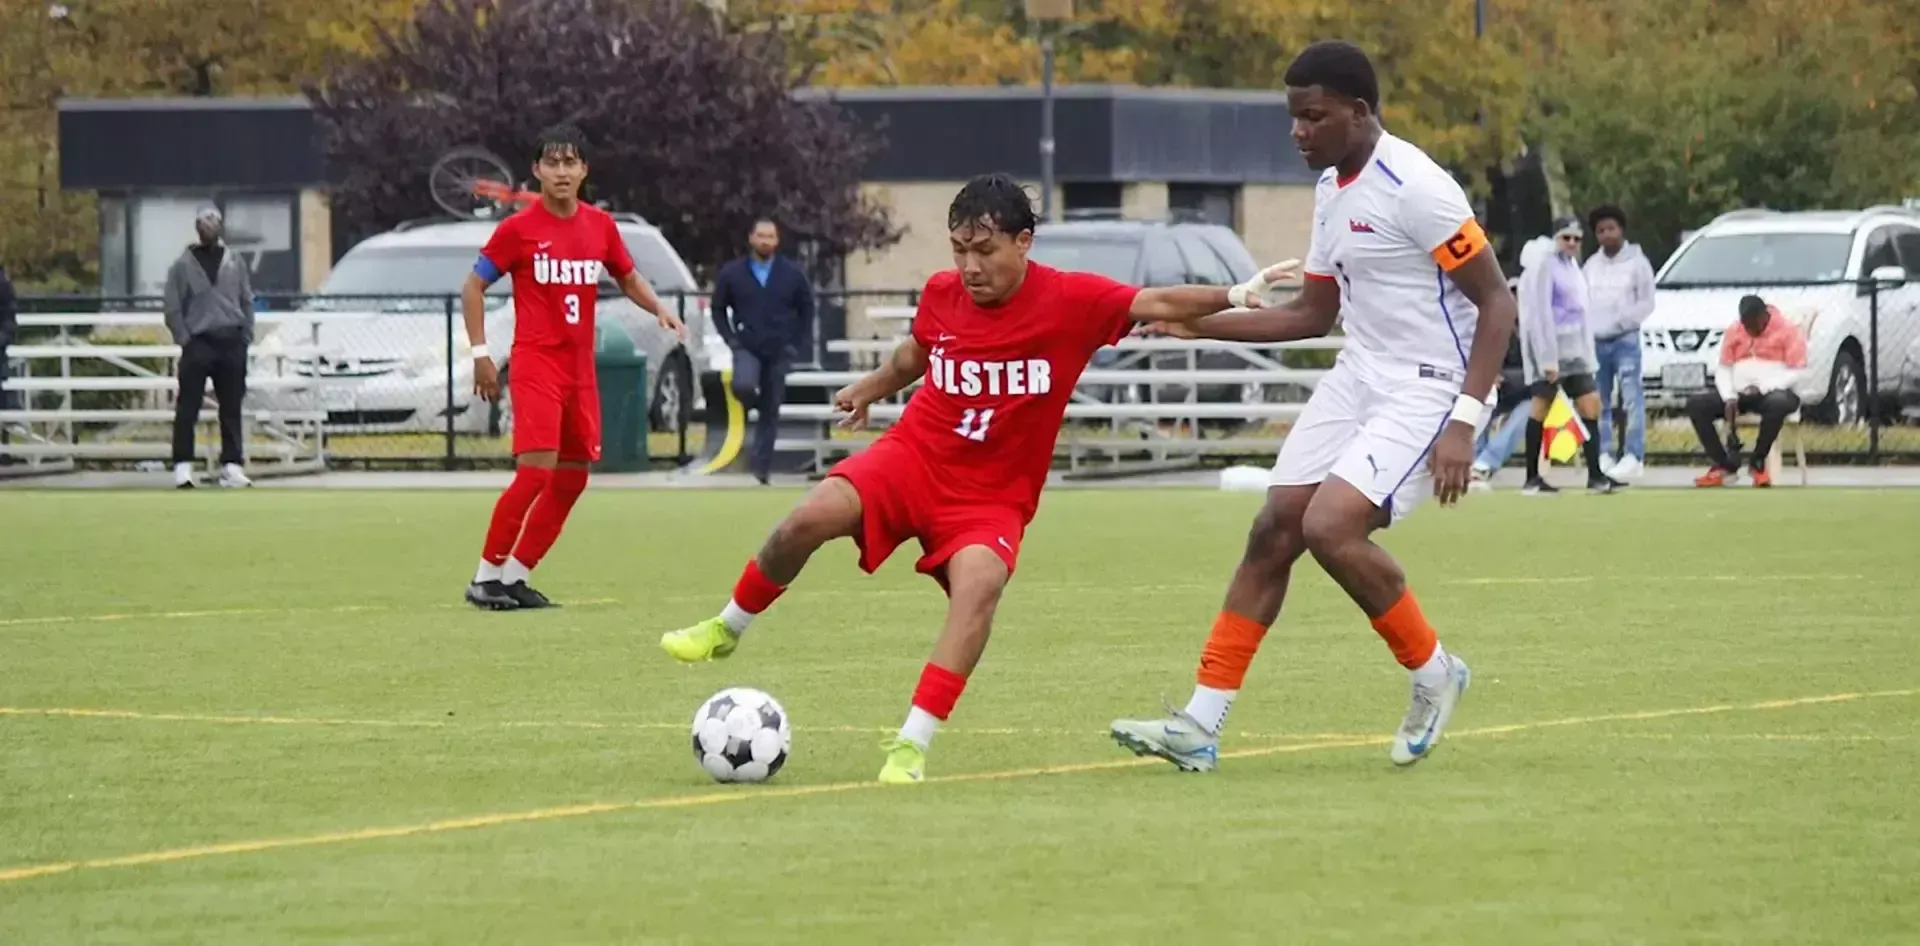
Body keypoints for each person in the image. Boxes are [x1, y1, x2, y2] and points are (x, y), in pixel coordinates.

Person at [656, 173, 1295, 784]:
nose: (970, 267)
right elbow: (919, 349)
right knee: (807, 517)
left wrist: (1234, 294)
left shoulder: (1072, 300)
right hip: (915, 457)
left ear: (1024, 242)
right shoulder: (942, 293)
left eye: (984, 250)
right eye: (960, 250)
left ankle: (911, 742)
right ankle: (726, 627)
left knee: (979, 588)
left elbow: (1154, 301)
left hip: (993, 496)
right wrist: (872, 388)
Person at [1106, 40, 1519, 772]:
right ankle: (1200, 724)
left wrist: (1466, 420)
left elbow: (1497, 304)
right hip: (1357, 374)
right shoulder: (1331, 188)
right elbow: (1310, 314)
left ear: (1360, 112)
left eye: (1313, 117)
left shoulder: (1419, 188)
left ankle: (1433, 672)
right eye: (1293, 118)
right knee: (1274, 528)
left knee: (1330, 526)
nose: (1298, 131)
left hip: (1427, 385)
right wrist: (1196, 323)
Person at [462, 124, 685, 611]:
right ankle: (485, 576)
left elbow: (626, 275)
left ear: (584, 170)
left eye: (571, 163)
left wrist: (660, 309)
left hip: (580, 369)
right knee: (536, 472)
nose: (562, 172)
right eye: (553, 163)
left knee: (573, 478)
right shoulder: (518, 229)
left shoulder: (600, 226)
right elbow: (473, 287)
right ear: (537, 171)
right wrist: (481, 355)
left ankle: (516, 575)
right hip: (536, 362)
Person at [1517, 215, 1624, 495]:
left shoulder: (1573, 267)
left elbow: (1581, 311)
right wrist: (1547, 359)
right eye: (1566, 237)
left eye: (1577, 238)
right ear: (1555, 238)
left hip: (1575, 351)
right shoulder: (1543, 266)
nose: (1572, 243)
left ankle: (1596, 476)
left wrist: (1586, 353)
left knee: (1591, 404)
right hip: (1550, 351)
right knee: (1540, 407)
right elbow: (1540, 314)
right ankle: (1531, 478)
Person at [710, 218, 817, 484]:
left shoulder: (792, 274)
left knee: (771, 409)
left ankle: (761, 468)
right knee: (743, 386)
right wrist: (731, 339)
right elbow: (717, 308)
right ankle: (753, 399)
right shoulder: (733, 273)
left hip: (780, 350)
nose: (765, 241)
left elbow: (807, 309)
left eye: (770, 236)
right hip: (746, 346)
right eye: (761, 236)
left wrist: (795, 344)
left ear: (777, 241)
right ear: (751, 238)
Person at [162, 207, 255, 490]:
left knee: (231, 407)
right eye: (204, 222)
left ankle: (231, 465)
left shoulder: (234, 261)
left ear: (221, 226)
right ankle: (183, 465)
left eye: (213, 221)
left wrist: (245, 336)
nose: (209, 226)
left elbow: (246, 299)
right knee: (187, 406)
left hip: (231, 341)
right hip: (199, 342)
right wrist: (185, 339)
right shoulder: (182, 266)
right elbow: (172, 307)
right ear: (197, 227)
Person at [1688, 295, 1806, 488]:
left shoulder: (1788, 330)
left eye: (1754, 325)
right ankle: (1724, 465)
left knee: (1779, 403)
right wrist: (1729, 397)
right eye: (1746, 326)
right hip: (1739, 392)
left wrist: (1764, 387)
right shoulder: (1735, 330)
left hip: (1772, 391)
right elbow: (1724, 368)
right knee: (1696, 404)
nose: (1750, 330)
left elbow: (1797, 370)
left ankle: (1758, 462)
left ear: (1764, 316)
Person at [1583, 204, 1656, 479]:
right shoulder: (1591, 265)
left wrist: (1623, 322)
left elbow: (1647, 302)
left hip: (1625, 340)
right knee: (1599, 401)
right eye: (1601, 231)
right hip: (1596, 342)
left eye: (1611, 228)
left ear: (1621, 230)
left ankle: (1633, 456)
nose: (1607, 235)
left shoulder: (1638, 262)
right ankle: (1604, 453)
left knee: (1631, 399)